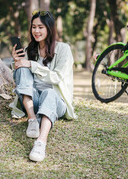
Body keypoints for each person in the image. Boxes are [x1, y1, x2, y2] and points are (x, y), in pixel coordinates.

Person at [9, 10, 77, 162]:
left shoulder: (63, 49)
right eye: (33, 27)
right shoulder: (29, 50)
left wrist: (32, 65)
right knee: (21, 68)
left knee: (50, 93)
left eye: (41, 27)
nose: (36, 31)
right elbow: (22, 81)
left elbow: (57, 77)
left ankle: (41, 142)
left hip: (55, 102)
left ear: (49, 28)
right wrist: (18, 63)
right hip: (33, 102)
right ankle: (32, 120)